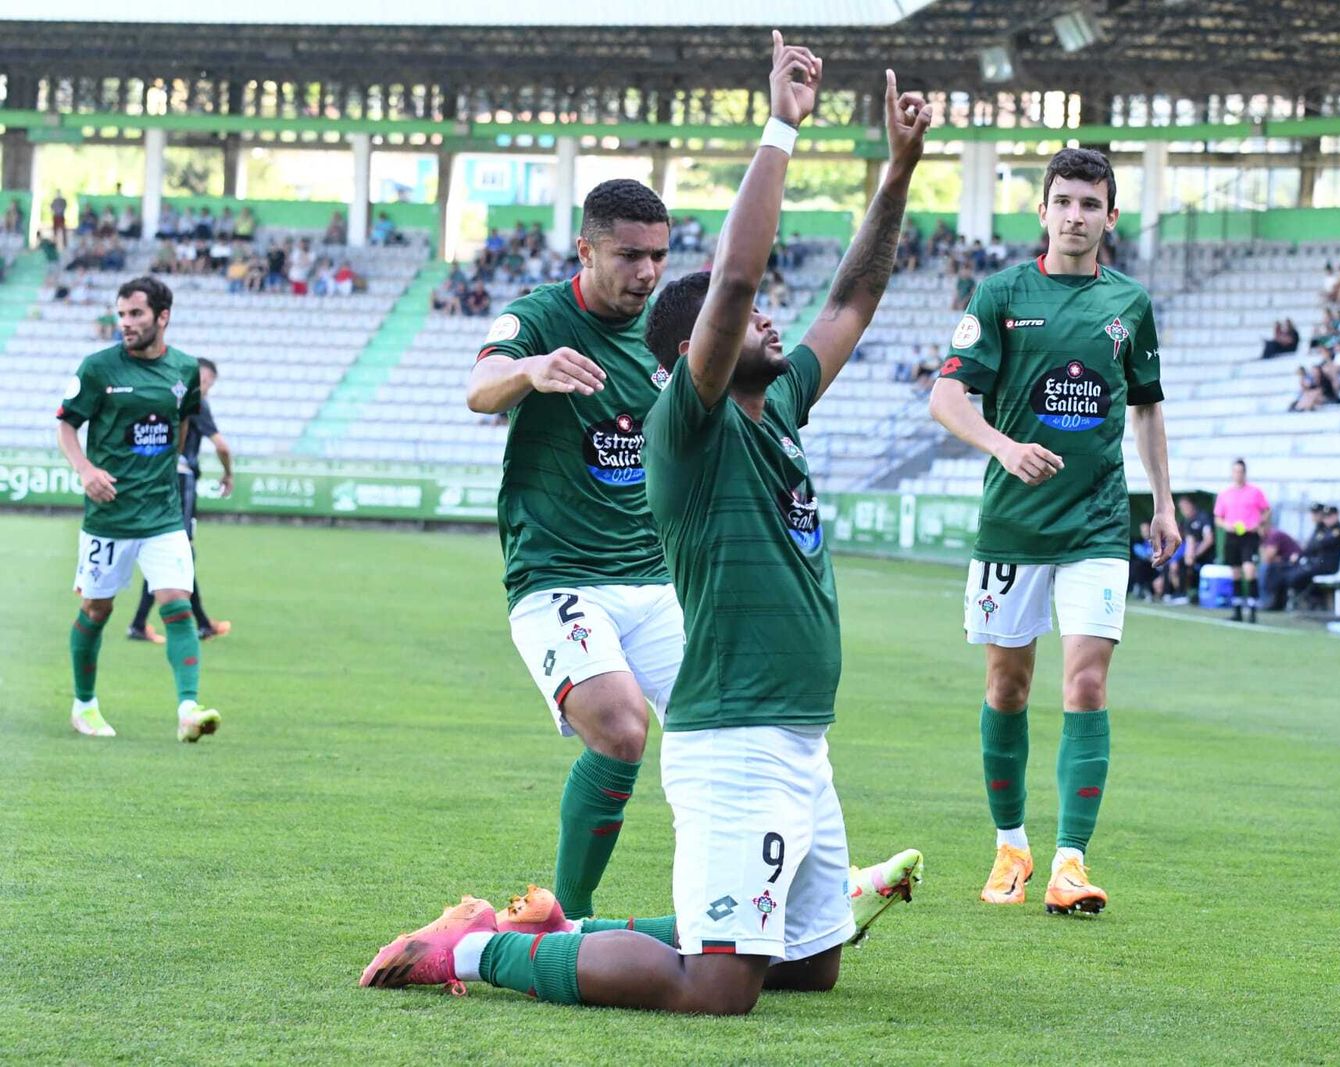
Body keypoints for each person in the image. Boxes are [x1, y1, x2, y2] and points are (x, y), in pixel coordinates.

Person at [363, 36, 926, 1016]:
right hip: (734, 727)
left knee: (811, 963)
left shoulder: (779, 405)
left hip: (796, 730)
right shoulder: (690, 425)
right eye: (742, 320)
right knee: (714, 990)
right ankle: (479, 951)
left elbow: (853, 294)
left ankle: (588, 924)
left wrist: (896, 175)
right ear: (691, 351)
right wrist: (782, 124)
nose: (768, 323)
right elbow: (736, 282)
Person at [928, 145, 1178, 915]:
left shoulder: (1129, 305)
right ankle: (1011, 844)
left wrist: (1162, 503)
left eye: (1090, 203)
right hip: (1012, 526)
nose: (1076, 215)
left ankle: (1072, 861)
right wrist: (1004, 445)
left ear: (1110, 214)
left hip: (1098, 522)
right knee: (1008, 685)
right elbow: (947, 396)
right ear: (1043, 210)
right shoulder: (1002, 293)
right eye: (1063, 201)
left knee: (1087, 681)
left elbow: (1146, 406)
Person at [456, 176, 685, 922]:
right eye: (628, 256)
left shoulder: (667, 333)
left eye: (658, 255)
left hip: (654, 580)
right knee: (620, 728)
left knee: (734, 721)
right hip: (558, 576)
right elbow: (480, 385)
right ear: (585, 249)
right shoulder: (539, 315)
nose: (646, 273)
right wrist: (530, 370)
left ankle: (753, 894)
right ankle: (572, 914)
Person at [54, 276, 221, 742]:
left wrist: (165, 473)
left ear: (162, 317)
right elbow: (66, 427)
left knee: (177, 604)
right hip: (109, 518)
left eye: (136, 315)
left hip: (163, 515)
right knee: (97, 608)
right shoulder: (98, 369)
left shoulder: (185, 370)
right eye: (122, 314)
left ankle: (188, 709)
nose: (125, 323)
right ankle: (83, 705)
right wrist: (86, 470)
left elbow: (182, 425)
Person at [127, 357, 234, 645]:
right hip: (180, 478)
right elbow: (222, 446)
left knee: (174, 551)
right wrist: (228, 474)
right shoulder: (195, 402)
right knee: (175, 551)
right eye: (203, 379)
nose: (205, 386)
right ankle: (188, 624)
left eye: (209, 382)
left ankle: (197, 623)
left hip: (158, 477)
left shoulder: (167, 397)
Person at [1213, 459, 1270, 623]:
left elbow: (1266, 511)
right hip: (1232, 536)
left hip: (1249, 536)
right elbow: (1218, 518)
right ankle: (1237, 610)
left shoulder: (1255, 492)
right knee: (1235, 572)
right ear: (1232, 473)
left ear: (1245, 473)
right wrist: (1227, 525)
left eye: (1241, 471)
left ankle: (1252, 610)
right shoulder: (1225, 494)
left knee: (1250, 570)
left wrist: (1257, 523)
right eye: (1235, 471)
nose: (1238, 474)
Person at [1265, 504, 1340, 610]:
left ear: (1336, 516)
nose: (1327, 519)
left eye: (1329, 516)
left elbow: (1321, 544)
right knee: (1279, 569)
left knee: (1296, 576)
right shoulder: (1321, 530)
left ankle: (1314, 600)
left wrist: (1316, 543)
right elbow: (1311, 547)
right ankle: (1277, 602)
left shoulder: (1339, 532)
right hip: (1314, 563)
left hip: (1326, 565)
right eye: (1325, 516)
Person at [1256, 515, 1302, 611]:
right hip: (1283, 564)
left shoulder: (1274, 535)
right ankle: (1269, 600)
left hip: (1295, 564)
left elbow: (1267, 558)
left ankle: (1266, 600)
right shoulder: (1265, 537)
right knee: (1265, 567)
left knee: (1264, 568)